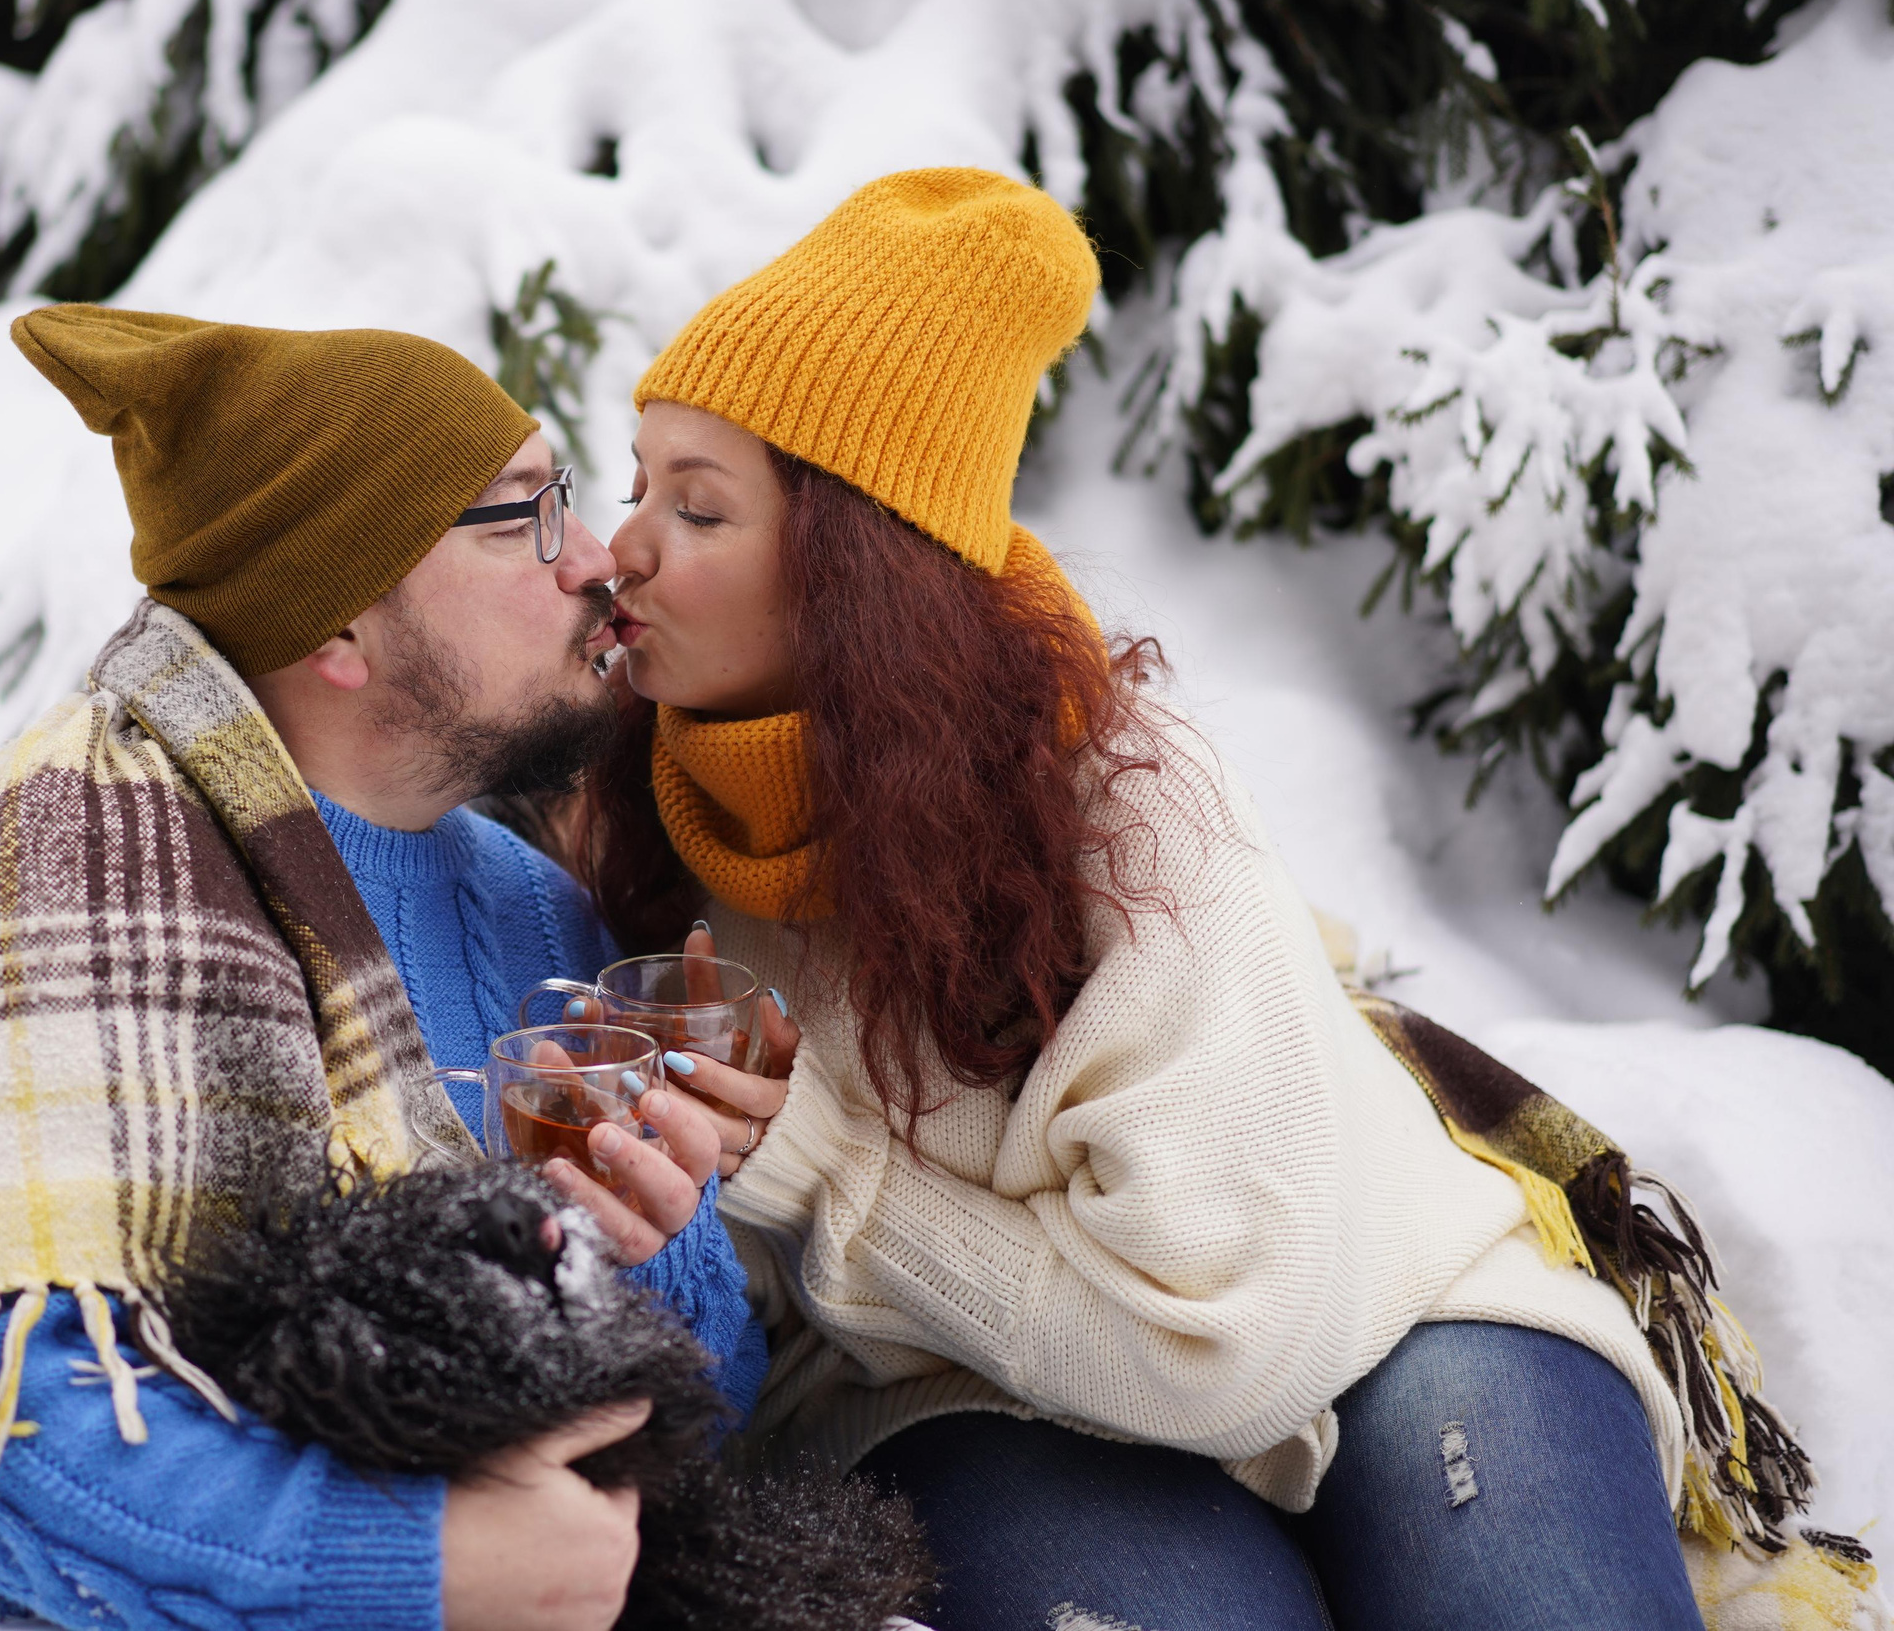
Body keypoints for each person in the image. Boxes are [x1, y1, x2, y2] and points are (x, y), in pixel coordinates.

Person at [572, 170, 1715, 1631]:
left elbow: (1218, 1343)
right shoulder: (627, 807)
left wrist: (812, 1169)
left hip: (1381, 1302)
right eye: (637, 485)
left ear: (858, 573)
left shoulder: (1119, 803)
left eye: (698, 507)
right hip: (957, 1388)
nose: (623, 548)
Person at [0, 307, 765, 1631]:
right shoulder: (45, 881)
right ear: (339, 630)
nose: (594, 559)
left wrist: (654, 1246)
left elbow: (713, 1425)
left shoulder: (534, 914)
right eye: (521, 517)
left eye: (568, 497)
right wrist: (400, 1562)